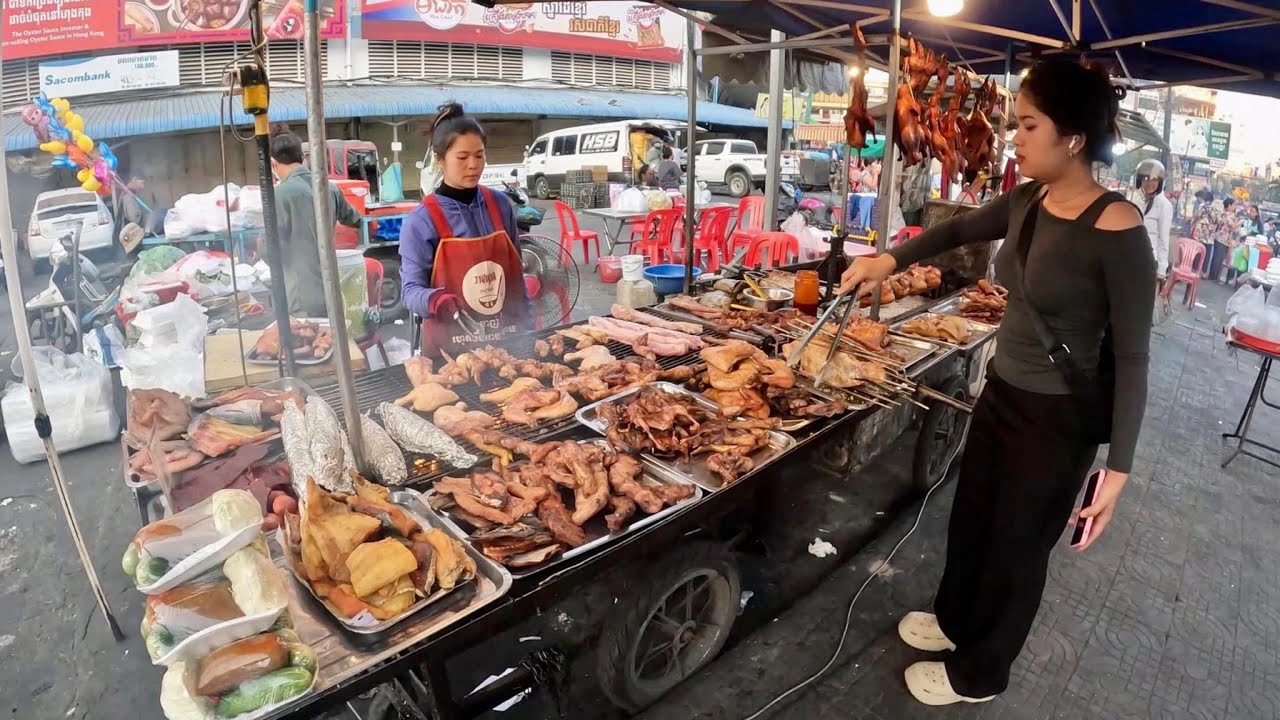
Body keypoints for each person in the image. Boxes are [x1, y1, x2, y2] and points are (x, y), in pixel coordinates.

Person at [838, 60, 1154, 707]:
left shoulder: (1118, 228)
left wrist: (1119, 469)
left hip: (1057, 419)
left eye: (1029, 125)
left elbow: (1134, 355)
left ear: (1072, 138)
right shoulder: (1029, 201)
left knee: (1017, 546)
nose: (1015, 137)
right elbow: (958, 229)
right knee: (975, 518)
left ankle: (981, 673)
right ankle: (955, 620)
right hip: (1003, 392)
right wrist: (887, 259)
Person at [399, 102, 530, 357]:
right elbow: (410, 291)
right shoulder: (422, 220)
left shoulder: (501, 205)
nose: (473, 165)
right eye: (462, 157)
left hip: (509, 346)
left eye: (479, 155)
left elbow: (516, 278)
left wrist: (530, 330)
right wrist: (434, 300)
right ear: (440, 160)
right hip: (451, 355)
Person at [267, 127, 361, 317]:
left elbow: (272, 249)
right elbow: (355, 219)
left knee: (306, 336)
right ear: (303, 157)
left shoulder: (279, 195)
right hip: (331, 290)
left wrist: (259, 245)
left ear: (273, 163)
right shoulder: (330, 188)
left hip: (300, 300)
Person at [1135, 159, 1172, 280]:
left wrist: (1161, 269)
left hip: (1149, 259)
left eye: (1154, 179)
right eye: (1145, 178)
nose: (1149, 183)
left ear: (1160, 182)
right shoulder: (1136, 199)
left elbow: (1163, 239)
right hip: (1131, 255)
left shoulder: (1163, 204)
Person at [1190, 190, 1219, 278]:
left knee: (1198, 252)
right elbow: (1218, 221)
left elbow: (1196, 217)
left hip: (1200, 234)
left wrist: (1193, 224)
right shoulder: (1215, 209)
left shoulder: (1201, 207)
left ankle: (1195, 269)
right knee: (1206, 254)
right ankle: (1204, 272)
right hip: (1209, 235)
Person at [1212, 197, 1240, 283]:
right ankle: (1213, 276)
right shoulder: (1228, 214)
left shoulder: (1225, 213)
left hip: (1223, 238)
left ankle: (1214, 276)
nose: (1235, 207)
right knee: (1218, 258)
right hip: (1222, 238)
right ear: (1229, 205)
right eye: (1234, 205)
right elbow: (1233, 226)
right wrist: (1240, 222)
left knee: (1218, 258)